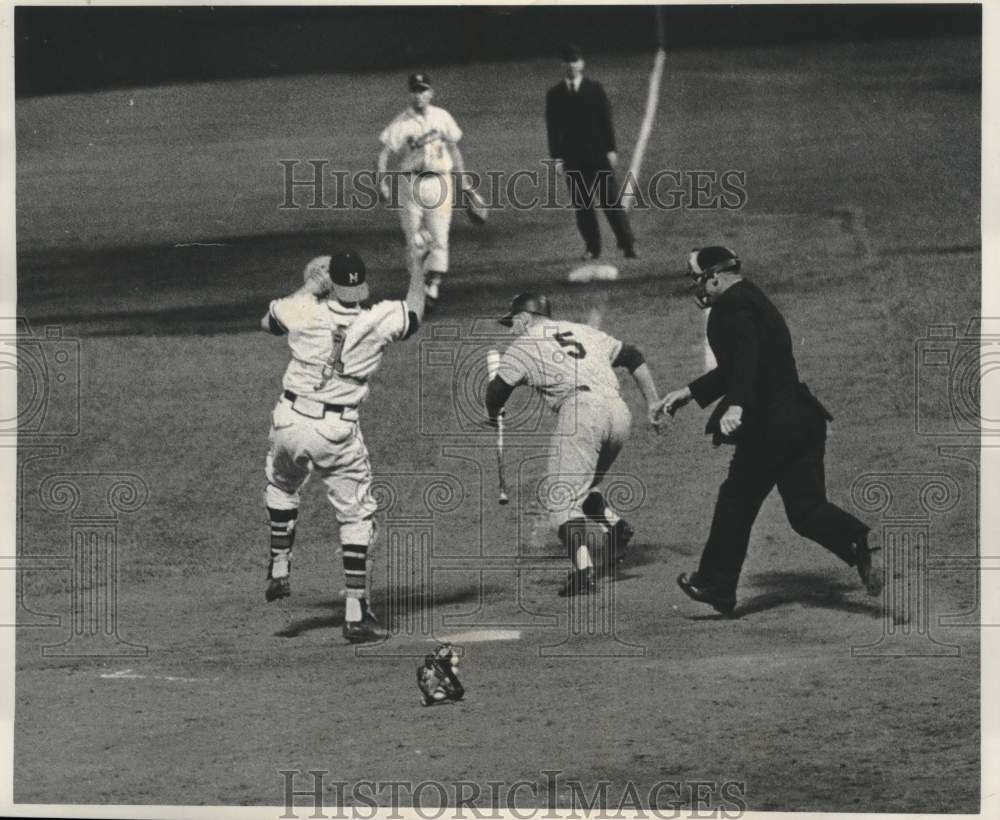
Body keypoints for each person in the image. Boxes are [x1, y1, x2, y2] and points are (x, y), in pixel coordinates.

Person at [652, 246, 881, 615]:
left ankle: (716, 584)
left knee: (736, 501)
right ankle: (855, 539)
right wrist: (690, 393)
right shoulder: (753, 297)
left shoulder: (731, 307)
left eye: (699, 279)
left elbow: (746, 355)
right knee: (806, 509)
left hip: (769, 426)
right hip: (803, 420)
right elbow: (742, 363)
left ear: (714, 275)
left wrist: (738, 404)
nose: (698, 288)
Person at [260, 249, 425, 643]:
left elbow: (267, 323)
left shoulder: (303, 309)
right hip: (336, 430)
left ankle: (280, 564)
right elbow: (415, 312)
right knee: (356, 517)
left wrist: (310, 288)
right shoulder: (378, 318)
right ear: (362, 286)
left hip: (289, 419)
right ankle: (355, 613)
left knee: (282, 486)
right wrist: (416, 267)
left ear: (331, 283)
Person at [485, 293, 661, 595]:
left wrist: (492, 413)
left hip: (582, 413)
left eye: (511, 322)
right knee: (582, 485)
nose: (510, 330)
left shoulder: (523, 344)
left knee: (561, 498)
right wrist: (654, 402)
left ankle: (584, 572)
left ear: (525, 318)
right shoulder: (583, 330)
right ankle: (616, 527)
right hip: (619, 414)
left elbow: (497, 391)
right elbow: (632, 355)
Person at [377, 72, 465, 309]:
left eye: (423, 90)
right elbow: (385, 153)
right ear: (410, 93)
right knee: (413, 236)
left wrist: (464, 182)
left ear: (431, 93)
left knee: (439, 236)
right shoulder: (401, 122)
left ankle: (433, 284)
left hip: (440, 182)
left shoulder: (442, 117)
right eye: (415, 90)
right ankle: (419, 282)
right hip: (410, 184)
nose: (419, 95)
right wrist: (382, 182)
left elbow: (454, 150)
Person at [545, 44, 636, 262]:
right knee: (583, 207)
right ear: (562, 65)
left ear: (582, 64)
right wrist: (556, 157)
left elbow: (606, 121)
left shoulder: (595, 89)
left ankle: (627, 244)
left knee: (611, 203)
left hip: (597, 157)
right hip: (573, 159)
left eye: (575, 61)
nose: (571, 66)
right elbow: (552, 129)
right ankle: (592, 248)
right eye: (567, 62)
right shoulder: (554, 95)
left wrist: (611, 149)